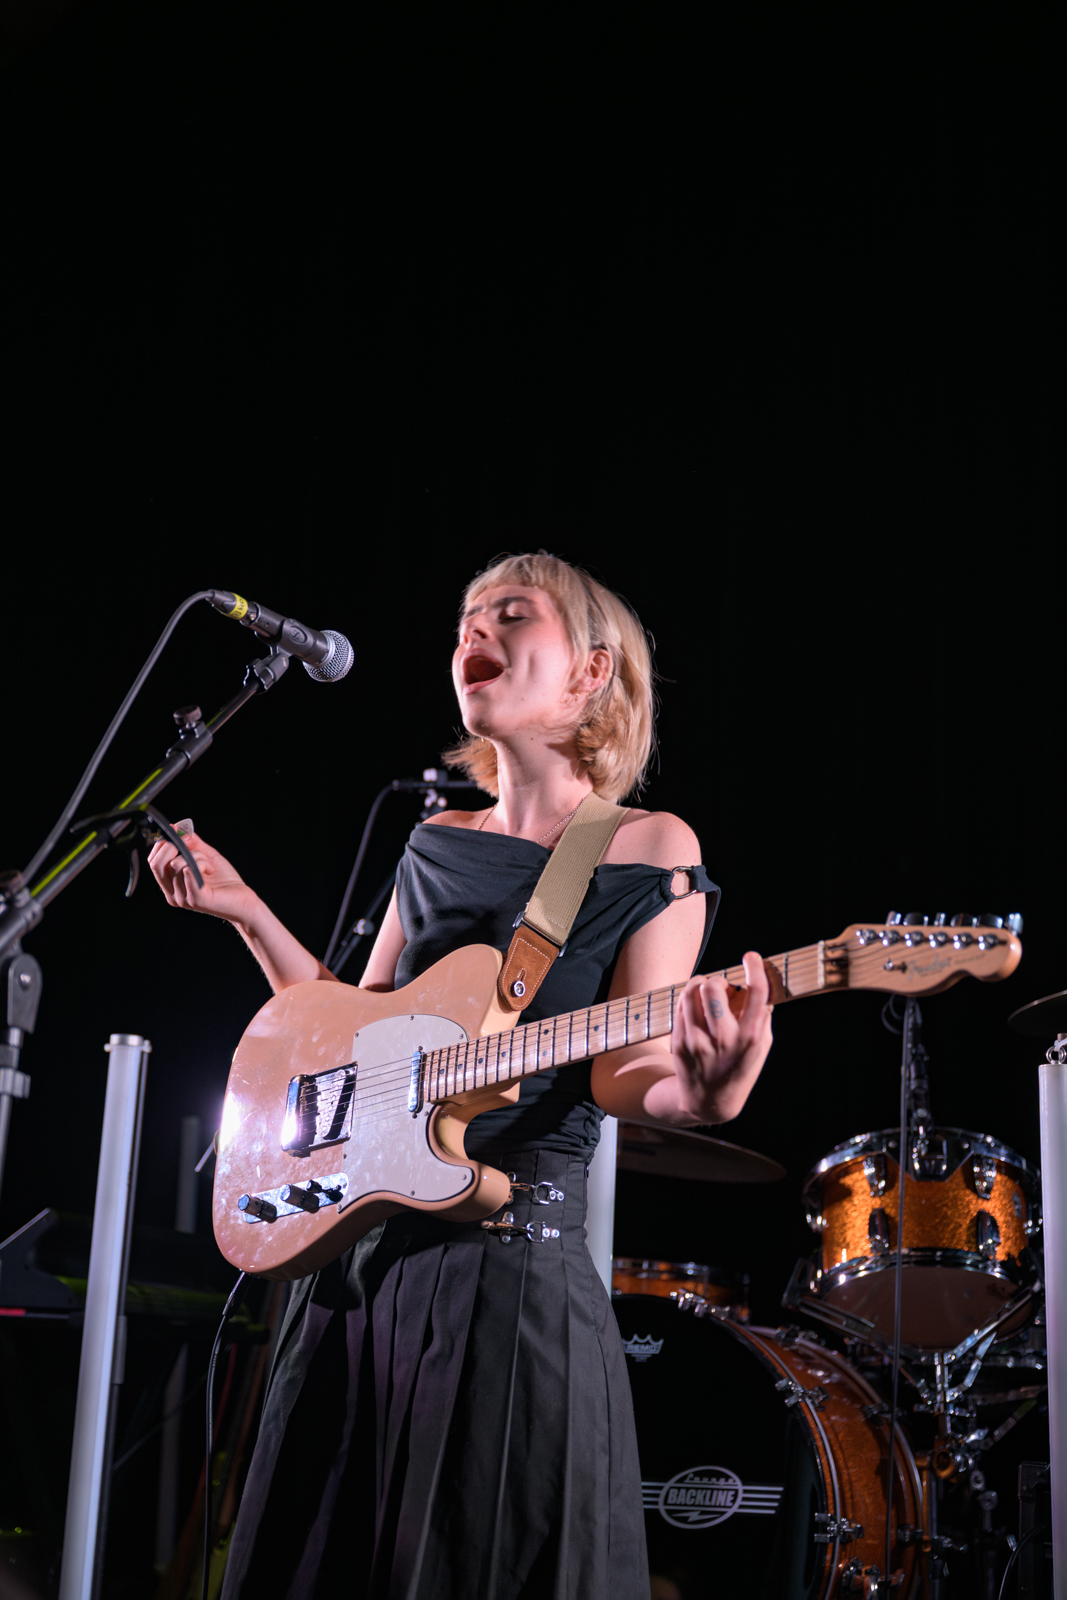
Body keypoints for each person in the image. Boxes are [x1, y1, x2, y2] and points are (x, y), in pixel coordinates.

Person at [148, 552, 773, 1600]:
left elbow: (631, 1075)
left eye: (510, 614)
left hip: (507, 1280)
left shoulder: (647, 845)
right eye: (465, 618)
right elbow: (351, 1042)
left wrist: (710, 1091)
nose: (473, 630)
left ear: (590, 671)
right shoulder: (434, 841)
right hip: (359, 1273)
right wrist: (245, 910)